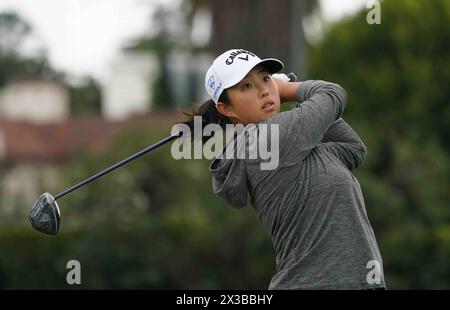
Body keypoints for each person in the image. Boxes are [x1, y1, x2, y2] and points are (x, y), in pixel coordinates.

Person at [182, 49, 386, 290]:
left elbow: (353, 149)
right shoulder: (265, 140)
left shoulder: (293, 145)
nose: (264, 90)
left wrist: (294, 97)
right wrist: (288, 89)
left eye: (266, 78)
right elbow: (333, 93)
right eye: (247, 86)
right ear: (226, 109)